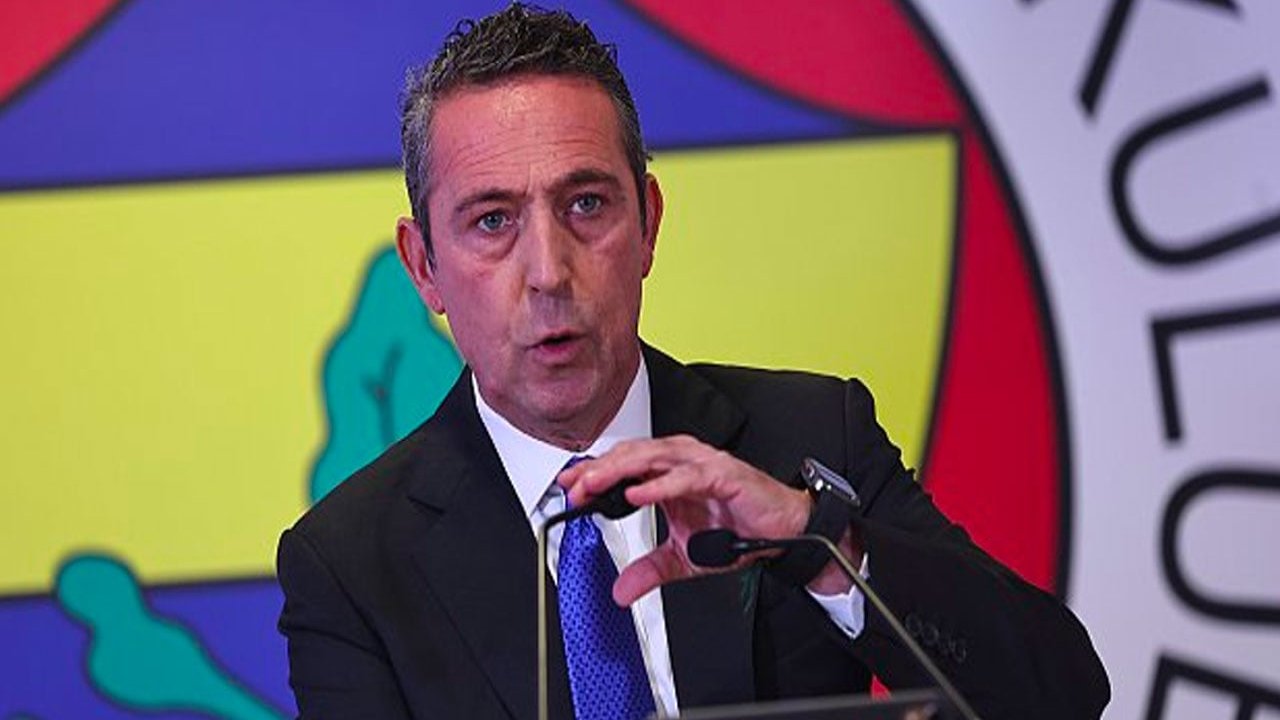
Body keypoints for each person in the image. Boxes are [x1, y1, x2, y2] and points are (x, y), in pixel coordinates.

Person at [276, 5, 1110, 719]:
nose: (548, 272)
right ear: (424, 266)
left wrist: (819, 543)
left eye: (586, 204)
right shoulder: (352, 562)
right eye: (492, 221)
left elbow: (1060, 694)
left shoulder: (809, 441)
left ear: (648, 222)